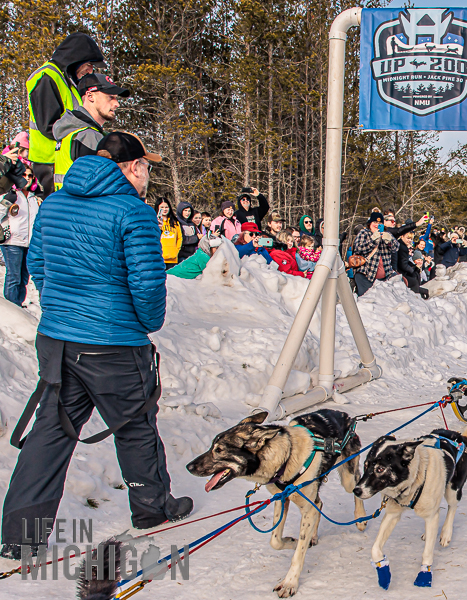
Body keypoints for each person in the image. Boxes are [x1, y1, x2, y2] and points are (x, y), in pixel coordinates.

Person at [1, 133, 192, 561]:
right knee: (135, 426)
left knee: (49, 433)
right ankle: (152, 510)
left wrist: (64, 309)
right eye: (146, 165)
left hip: (58, 340)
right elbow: (147, 287)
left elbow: (38, 267)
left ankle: (20, 536)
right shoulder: (132, 212)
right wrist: (142, 323)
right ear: (130, 167)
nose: (147, 174)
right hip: (113, 343)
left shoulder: (53, 205)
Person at [27, 33, 106, 198]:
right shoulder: (47, 77)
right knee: (59, 210)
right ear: (77, 58)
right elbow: (50, 125)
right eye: (89, 65)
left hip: (64, 157)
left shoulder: (66, 80)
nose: (91, 71)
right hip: (50, 160)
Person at [52, 74, 129, 190]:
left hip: (65, 204)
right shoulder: (88, 136)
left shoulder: (70, 130)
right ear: (90, 96)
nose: (116, 104)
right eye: (110, 97)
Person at [0, 166, 40, 306]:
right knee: (14, 276)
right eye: (24, 175)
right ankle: (12, 306)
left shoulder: (33, 198)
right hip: (12, 241)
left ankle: (18, 304)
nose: (27, 178)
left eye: (30, 176)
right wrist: (6, 203)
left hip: (29, 242)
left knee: (24, 277)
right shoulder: (9, 194)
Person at [351, 212, 398, 296]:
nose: (377, 225)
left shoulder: (387, 234)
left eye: (380, 223)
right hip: (366, 275)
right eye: (375, 222)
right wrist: (372, 241)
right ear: (370, 223)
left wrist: (389, 241)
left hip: (386, 276)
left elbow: (396, 248)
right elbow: (358, 249)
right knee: (368, 299)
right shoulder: (364, 233)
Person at [155, 198, 182, 269]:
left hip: (172, 258)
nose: (164, 209)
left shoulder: (175, 222)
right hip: (159, 257)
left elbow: (179, 238)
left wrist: (176, 251)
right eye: (162, 207)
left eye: (166, 207)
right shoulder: (154, 222)